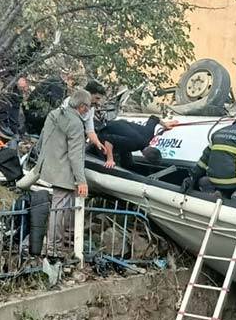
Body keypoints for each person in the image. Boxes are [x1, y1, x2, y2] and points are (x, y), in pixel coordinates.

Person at [16, 87, 90, 257]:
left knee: (60, 209)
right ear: (82, 107)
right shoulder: (76, 123)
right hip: (64, 172)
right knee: (59, 210)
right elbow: (76, 155)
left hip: (47, 166)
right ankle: (53, 248)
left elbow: (42, 139)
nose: (89, 110)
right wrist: (81, 180)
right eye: (89, 107)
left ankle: (61, 244)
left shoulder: (54, 114)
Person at [95, 116, 171, 170]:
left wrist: (165, 125)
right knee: (109, 153)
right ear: (145, 157)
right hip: (105, 131)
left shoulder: (149, 135)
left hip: (120, 124)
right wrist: (110, 159)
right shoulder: (133, 144)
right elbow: (108, 141)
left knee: (127, 158)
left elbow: (154, 118)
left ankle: (127, 165)